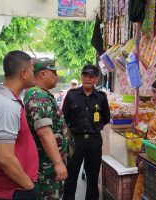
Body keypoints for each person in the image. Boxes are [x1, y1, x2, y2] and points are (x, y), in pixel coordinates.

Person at [0, 50, 39, 200]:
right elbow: (5, 158)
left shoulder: (7, 100)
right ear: (23, 73)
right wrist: (28, 186)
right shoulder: (6, 106)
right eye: (32, 71)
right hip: (13, 190)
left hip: (16, 188)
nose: (34, 75)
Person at [62, 64, 110, 200]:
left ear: (96, 79)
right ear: (81, 77)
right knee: (71, 176)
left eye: (91, 76)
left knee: (93, 176)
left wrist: (96, 126)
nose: (87, 79)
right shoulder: (72, 95)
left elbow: (106, 117)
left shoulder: (101, 97)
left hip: (94, 141)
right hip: (75, 140)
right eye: (85, 75)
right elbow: (64, 117)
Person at [23, 58, 69, 199]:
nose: (57, 76)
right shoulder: (39, 96)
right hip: (46, 169)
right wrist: (58, 163)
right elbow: (44, 133)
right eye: (53, 72)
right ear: (42, 74)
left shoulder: (41, 94)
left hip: (47, 166)